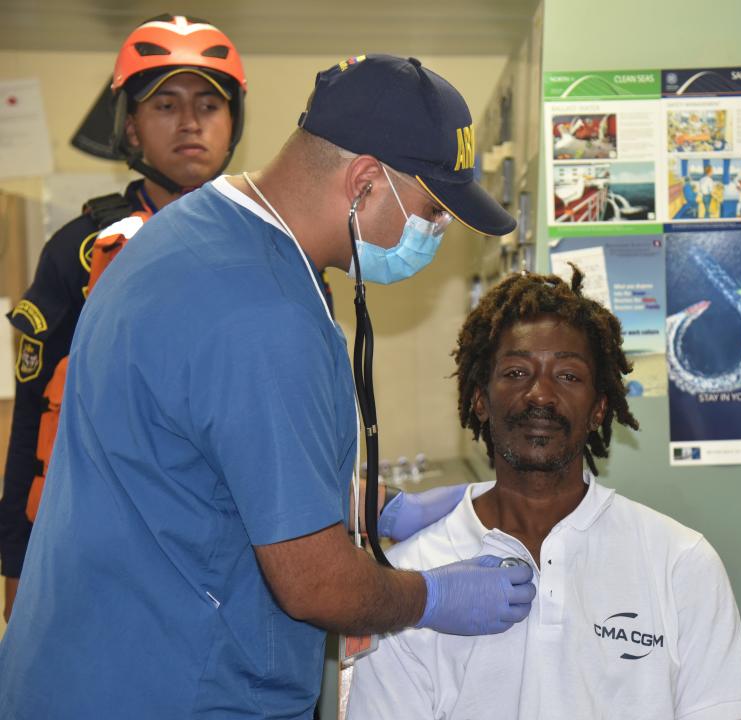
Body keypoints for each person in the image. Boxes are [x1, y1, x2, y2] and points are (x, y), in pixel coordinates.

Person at [0, 53, 536, 719]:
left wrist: (378, 507)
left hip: (79, 671)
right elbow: (316, 585)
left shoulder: (190, 234)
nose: (440, 229)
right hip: (172, 689)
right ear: (366, 182)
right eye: (434, 208)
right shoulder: (264, 312)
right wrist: (432, 596)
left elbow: (195, 460)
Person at [347, 267, 741, 720]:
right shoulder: (412, 580)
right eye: (517, 371)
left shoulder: (680, 563)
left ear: (600, 407)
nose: (540, 394)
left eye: (568, 376)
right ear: (480, 398)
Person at [0, 13, 252, 623]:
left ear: (232, 124)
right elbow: (35, 416)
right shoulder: (79, 250)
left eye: (209, 105)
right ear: (131, 129)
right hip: (98, 556)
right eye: (165, 104)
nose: (190, 121)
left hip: (234, 557)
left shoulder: (273, 245)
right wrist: (16, 566)